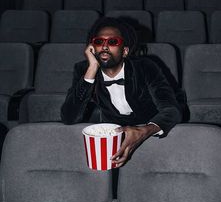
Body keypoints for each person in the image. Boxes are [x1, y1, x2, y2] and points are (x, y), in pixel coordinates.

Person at [61, 17, 185, 167]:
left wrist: (145, 130)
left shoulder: (145, 67)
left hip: (151, 134)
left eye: (113, 42)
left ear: (125, 51)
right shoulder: (84, 70)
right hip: (114, 139)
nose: (105, 47)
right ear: (92, 48)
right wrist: (92, 69)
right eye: (99, 42)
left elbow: (171, 110)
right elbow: (69, 117)